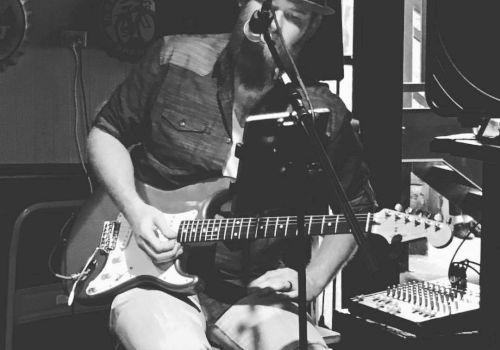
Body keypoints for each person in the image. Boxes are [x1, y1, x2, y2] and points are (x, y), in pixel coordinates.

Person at [87, 0, 377, 349]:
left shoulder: (322, 111)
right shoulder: (174, 57)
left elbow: (356, 209)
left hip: (252, 290)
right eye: (268, 5)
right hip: (150, 277)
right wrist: (135, 210)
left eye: (294, 17)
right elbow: (106, 133)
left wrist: (314, 278)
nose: (273, 22)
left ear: (311, 29)